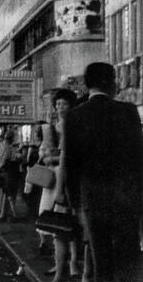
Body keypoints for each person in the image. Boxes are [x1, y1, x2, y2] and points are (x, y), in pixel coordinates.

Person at [61, 62, 143, 282]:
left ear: (88, 85)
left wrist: (75, 203)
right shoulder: (128, 112)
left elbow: (70, 164)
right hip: (126, 197)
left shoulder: (74, 116)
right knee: (128, 258)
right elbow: (138, 158)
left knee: (101, 259)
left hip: (92, 199)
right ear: (110, 83)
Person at [39, 88, 81, 281]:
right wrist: (46, 154)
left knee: (68, 225)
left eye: (64, 104)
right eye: (57, 104)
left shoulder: (73, 125)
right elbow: (45, 152)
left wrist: (53, 155)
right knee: (58, 225)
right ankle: (61, 265)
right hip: (53, 178)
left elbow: (66, 156)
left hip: (66, 177)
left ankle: (71, 264)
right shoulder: (52, 127)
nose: (60, 107)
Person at [0, 128, 21, 222]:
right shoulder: (8, 147)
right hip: (6, 171)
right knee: (8, 193)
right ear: (11, 138)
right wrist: (0, 167)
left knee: (3, 192)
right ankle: (5, 214)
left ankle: (3, 212)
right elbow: (5, 159)